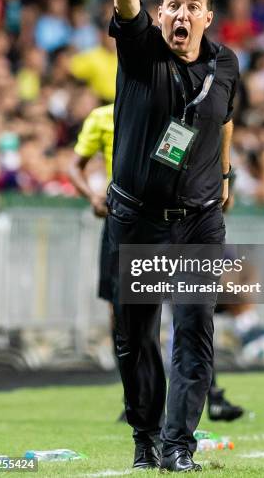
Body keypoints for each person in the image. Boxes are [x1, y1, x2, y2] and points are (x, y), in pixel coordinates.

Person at [108, 0, 239, 472]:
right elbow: (125, 5)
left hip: (199, 221)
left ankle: (179, 446)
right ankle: (145, 436)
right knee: (136, 339)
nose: (182, 14)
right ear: (161, 15)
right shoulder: (141, 54)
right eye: (174, 6)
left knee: (194, 328)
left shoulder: (226, 63)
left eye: (193, 6)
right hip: (137, 218)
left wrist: (227, 173)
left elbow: (224, 116)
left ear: (209, 17)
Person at [69, 103, 245, 423]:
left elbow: (195, 152)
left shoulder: (176, 118)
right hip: (128, 223)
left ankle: (209, 395)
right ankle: (136, 399)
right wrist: (94, 197)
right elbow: (75, 165)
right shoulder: (105, 117)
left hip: (173, 220)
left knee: (191, 308)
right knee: (127, 314)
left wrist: (220, 182)